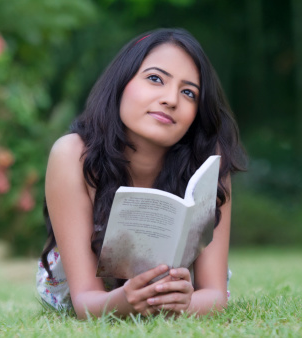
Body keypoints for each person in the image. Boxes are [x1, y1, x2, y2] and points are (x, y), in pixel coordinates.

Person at [36, 28, 246, 319]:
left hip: (177, 296)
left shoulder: (209, 162)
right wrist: (126, 300)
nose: (171, 99)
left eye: (189, 93)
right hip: (85, 295)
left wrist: (184, 304)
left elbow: (214, 295)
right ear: (122, 82)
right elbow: (85, 301)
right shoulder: (72, 154)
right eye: (155, 79)